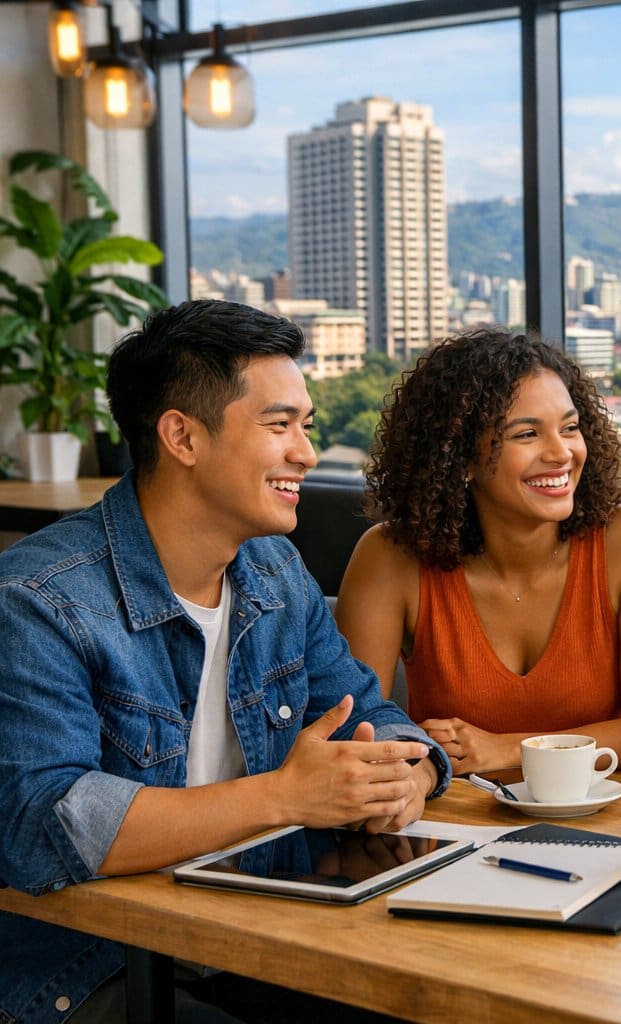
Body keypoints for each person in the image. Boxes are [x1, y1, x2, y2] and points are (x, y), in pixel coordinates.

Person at [0, 299, 451, 1022]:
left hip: (255, 935)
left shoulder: (274, 571)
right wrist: (282, 798)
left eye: (304, 425)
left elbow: (367, 712)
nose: (305, 452)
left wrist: (409, 774)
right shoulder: (39, 602)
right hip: (90, 972)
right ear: (181, 435)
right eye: (279, 426)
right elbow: (39, 825)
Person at [335, 329, 621, 775]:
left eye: (570, 427)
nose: (562, 453)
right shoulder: (389, 557)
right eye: (526, 435)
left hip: (607, 827)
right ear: (460, 458)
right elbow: (354, 734)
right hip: (450, 827)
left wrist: (506, 749)